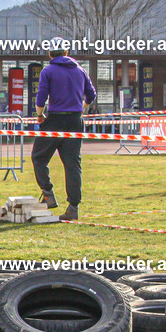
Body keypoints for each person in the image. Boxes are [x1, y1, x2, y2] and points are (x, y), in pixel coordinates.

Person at [32, 46, 97, 222]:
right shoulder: (80, 70)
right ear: (66, 53)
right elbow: (91, 95)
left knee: (39, 157)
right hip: (75, 121)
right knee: (72, 164)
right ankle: (73, 207)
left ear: (50, 54)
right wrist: (80, 109)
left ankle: (48, 193)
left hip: (54, 120)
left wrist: (39, 115)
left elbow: (41, 98)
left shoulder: (48, 71)